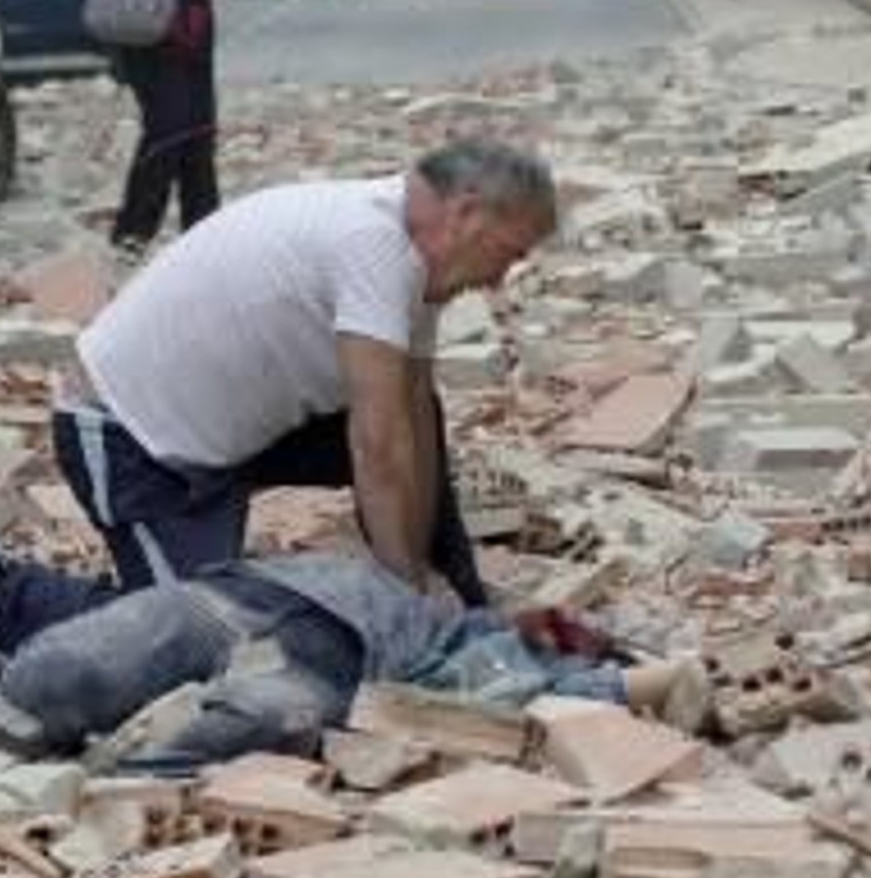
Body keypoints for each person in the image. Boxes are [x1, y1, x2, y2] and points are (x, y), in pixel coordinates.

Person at [45, 138, 557, 633]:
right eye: (506, 253)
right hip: (130, 440)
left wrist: (434, 584)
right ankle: (10, 593)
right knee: (185, 634)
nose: (498, 280)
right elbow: (376, 448)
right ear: (466, 213)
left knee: (406, 410)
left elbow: (414, 412)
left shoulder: (418, 257)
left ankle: (463, 608)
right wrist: (408, 602)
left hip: (219, 433)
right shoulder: (373, 243)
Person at [0, 540, 712, 770]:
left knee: (247, 719)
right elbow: (516, 632)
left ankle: (103, 765)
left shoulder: (521, 676)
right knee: (56, 678)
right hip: (258, 597)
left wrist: (660, 676)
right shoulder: (488, 630)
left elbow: (544, 702)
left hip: (345, 671)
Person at [90, 0, 297, 255]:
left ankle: (204, 237)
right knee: (168, 126)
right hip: (150, 21)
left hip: (195, 18)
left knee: (200, 129)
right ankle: (131, 237)